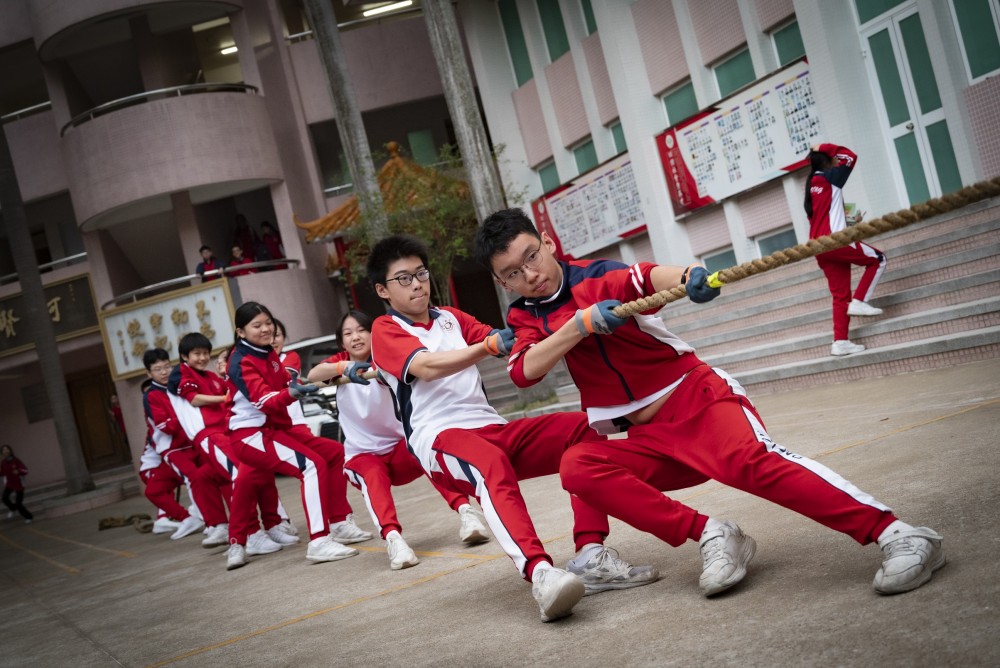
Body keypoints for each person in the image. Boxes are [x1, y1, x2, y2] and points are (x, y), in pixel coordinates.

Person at [474, 209, 945, 598]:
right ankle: (715, 535)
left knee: (752, 464)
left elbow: (648, 277)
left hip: (695, 398)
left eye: (531, 256)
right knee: (579, 466)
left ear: (548, 243)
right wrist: (579, 326)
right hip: (646, 437)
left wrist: (691, 276)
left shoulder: (600, 276)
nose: (529, 274)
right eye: (512, 272)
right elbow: (523, 371)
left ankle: (899, 534)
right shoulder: (523, 316)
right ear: (503, 283)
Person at [367, 234, 658, 622]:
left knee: (582, 430)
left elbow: (512, 340)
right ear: (382, 289)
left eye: (421, 273)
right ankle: (540, 573)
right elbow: (426, 367)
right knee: (490, 464)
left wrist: (572, 323)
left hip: (491, 427)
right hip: (439, 438)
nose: (417, 283)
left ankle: (590, 554)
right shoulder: (384, 329)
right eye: (403, 278)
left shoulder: (451, 318)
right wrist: (487, 347)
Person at [307, 310, 490, 571]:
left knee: (426, 449)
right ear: (341, 343)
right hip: (363, 455)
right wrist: (342, 367)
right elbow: (314, 374)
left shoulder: (387, 355)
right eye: (348, 334)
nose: (356, 337)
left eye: (361, 330)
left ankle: (467, 513)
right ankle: (394, 539)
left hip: (400, 447)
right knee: (373, 475)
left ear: (374, 334)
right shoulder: (340, 363)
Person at [223, 301, 364, 569]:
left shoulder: (267, 353)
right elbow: (264, 400)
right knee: (309, 466)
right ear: (240, 332)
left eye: (268, 323)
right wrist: (293, 392)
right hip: (250, 435)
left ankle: (338, 523)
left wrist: (306, 384)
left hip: (275, 429)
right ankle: (318, 541)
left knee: (333, 453)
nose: (265, 329)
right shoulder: (241, 360)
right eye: (257, 325)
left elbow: (286, 386)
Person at [270, 318, 371, 545]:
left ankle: (337, 522)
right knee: (248, 478)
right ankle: (253, 533)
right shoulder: (251, 361)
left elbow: (294, 376)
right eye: (263, 331)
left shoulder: (287, 358)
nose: (271, 337)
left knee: (333, 453)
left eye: (276, 334)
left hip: (292, 427)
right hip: (258, 432)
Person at [805, 143, 886, 356]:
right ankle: (860, 301)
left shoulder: (812, 183)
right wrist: (823, 146)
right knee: (878, 259)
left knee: (840, 296)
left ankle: (840, 342)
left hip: (819, 247)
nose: (839, 161)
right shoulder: (831, 177)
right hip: (835, 241)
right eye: (834, 158)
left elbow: (822, 218)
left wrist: (850, 220)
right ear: (828, 160)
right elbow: (851, 155)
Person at [142, 348, 229, 541]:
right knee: (194, 479)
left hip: (193, 442)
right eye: (158, 369)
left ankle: (215, 522)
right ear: (149, 374)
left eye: (166, 367)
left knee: (212, 475)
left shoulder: (178, 385)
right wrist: (182, 418)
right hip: (173, 448)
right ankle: (209, 523)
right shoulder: (151, 396)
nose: (164, 372)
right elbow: (164, 426)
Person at [1, 445, 34, 523]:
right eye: (3, 450)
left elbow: (25, 470)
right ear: (2, 453)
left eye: (7, 449)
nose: (5, 451)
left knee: (18, 503)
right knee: (4, 498)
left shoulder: (16, 460)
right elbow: (2, 472)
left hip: (19, 484)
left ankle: (29, 517)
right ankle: (13, 509)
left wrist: (18, 471)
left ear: (10, 451)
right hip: (9, 484)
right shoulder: (3, 463)